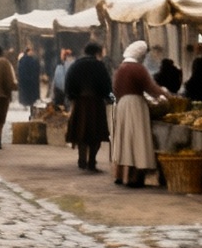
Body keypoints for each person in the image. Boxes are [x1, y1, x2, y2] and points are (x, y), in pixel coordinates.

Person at [106, 42, 166, 187]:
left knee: (124, 140)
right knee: (136, 139)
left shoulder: (121, 68)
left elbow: (114, 89)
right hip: (135, 105)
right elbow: (151, 87)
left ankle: (121, 175)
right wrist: (165, 94)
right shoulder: (138, 69)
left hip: (122, 104)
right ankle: (134, 177)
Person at [63, 43, 113, 172]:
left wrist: (72, 97)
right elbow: (106, 84)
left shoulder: (76, 65)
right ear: (97, 52)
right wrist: (108, 97)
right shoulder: (99, 66)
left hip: (79, 102)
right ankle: (91, 162)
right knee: (95, 133)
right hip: (95, 102)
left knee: (81, 132)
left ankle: (82, 160)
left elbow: (68, 83)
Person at [15, 46, 42, 114]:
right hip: (29, 80)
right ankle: (28, 103)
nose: (32, 52)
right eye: (30, 51)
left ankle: (28, 103)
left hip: (28, 80)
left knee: (28, 94)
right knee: (29, 94)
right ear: (27, 52)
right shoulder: (28, 60)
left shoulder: (24, 60)